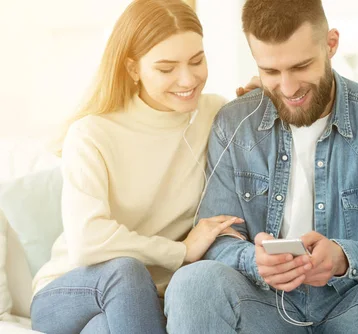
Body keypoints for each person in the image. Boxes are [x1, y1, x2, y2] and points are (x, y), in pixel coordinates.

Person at [164, 0, 358, 333]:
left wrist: (346, 257)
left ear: (331, 44)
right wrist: (252, 261)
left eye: (301, 66)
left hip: (353, 304)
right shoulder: (234, 124)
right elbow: (215, 236)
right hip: (264, 307)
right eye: (270, 71)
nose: (287, 88)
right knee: (193, 282)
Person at [29, 1, 258, 333]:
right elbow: (88, 242)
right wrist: (180, 251)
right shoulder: (93, 132)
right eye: (166, 69)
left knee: (103, 329)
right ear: (133, 68)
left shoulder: (215, 114)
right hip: (73, 290)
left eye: (197, 60)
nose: (188, 79)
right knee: (127, 271)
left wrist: (260, 101)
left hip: (146, 302)